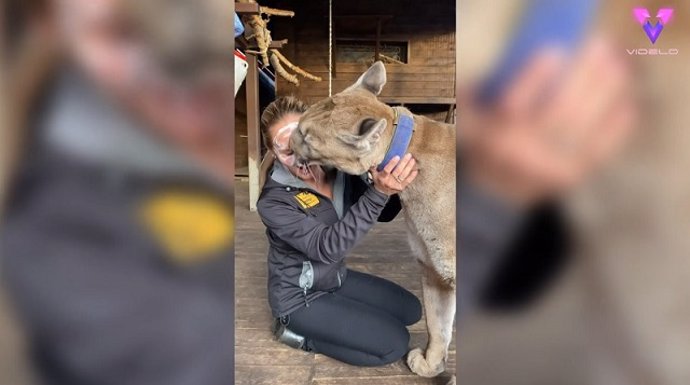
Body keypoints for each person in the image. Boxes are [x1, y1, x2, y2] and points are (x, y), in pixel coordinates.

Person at [1, 1, 235, 384]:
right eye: (119, 32)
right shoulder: (53, 223)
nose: (161, 61)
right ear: (50, 30)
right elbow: (195, 355)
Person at [257, 96, 423, 367]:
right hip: (299, 297)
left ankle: (341, 313)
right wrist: (379, 192)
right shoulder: (273, 202)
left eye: (302, 142)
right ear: (273, 153)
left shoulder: (336, 166)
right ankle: (299, 336)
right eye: (286, 150)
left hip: (335, 278)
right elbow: (327, 247)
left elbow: (384, 213)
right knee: (394, 345)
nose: (300, 157)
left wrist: (386, 178)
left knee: (411, 310)